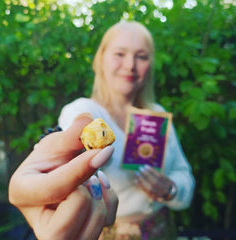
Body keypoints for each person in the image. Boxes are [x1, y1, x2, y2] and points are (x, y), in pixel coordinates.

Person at [58, 20, 195, 239]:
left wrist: (171, 190)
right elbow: (68, 179)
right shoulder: (83, 112)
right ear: (101, 59)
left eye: (141, 56)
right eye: (120, 54)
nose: (130, 65)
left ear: (150, 64)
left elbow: (184, 175)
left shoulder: (156, 114)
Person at [8, 113, 118, 240]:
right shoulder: (81, 107)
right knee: (78, 197)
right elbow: (60, 144)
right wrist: (42, 149)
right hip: (103, 231)